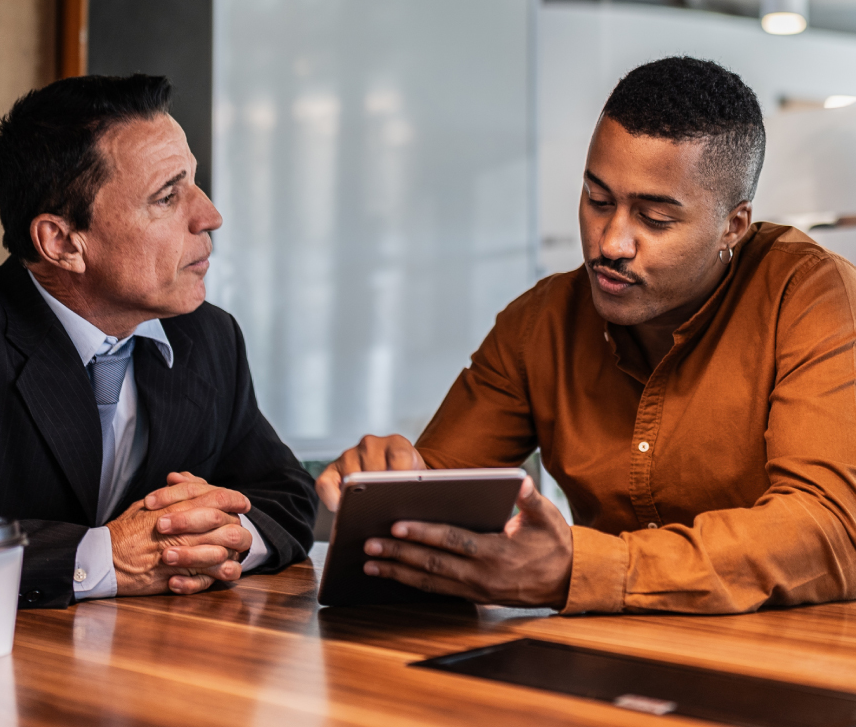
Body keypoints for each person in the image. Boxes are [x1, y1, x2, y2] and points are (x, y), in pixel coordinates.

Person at [318, 56, 856, 615]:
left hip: (786, 661)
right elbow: (439, 503)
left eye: (654, 219)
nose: (611, 243)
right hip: (601, 657)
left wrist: (585, 569)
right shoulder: (540, 323)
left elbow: (829, 529)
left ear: (733, 225)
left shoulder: (812, 296)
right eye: (598, 201)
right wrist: (392, 485)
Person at [0, 74, 317, 609]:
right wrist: (102, 558)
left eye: (194, 183)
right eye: (168, 196)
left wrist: (229, 540)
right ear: (62, 242)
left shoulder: (209, 336)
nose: (210, 216)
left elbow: (286, 495)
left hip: (152, 666)